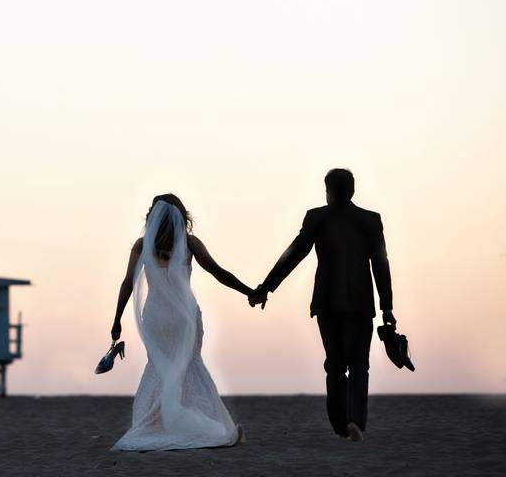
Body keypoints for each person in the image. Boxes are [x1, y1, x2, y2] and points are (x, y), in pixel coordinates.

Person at [247, 169, 395, 442]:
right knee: (360, 363)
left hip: (327, 302)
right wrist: (387, 306)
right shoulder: (370, 220)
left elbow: (293, 254)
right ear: (352, 190)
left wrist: (266, 287)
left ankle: (340, 425)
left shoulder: (317, 217)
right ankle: (356, 422)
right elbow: (380, 263)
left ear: (328, 191)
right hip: (361, 303)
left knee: (335, 364)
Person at [110, 193, 253, 451]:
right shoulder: (189, 243)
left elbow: (127, 284)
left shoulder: (142, 245)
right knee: (189, 365)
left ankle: (157, 423)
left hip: (154, 316)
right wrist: (249, 292)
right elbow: (218, 272)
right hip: (182, 317)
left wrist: (116, 320)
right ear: (181, 216)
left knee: (158, 366)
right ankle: (202, 425)